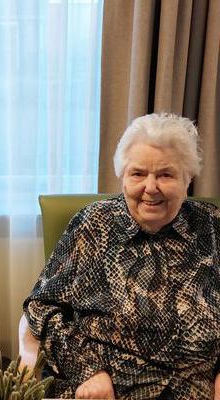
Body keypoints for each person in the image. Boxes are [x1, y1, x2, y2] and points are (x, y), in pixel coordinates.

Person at [24, 113, 220, 400]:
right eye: (138, 173)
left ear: (187, 178)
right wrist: (88, 370)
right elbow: (41, 307)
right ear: (123, 177)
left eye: (165, 174)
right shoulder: (94, 225)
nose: (150, 188)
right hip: (106, 392)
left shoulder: (212, 226)